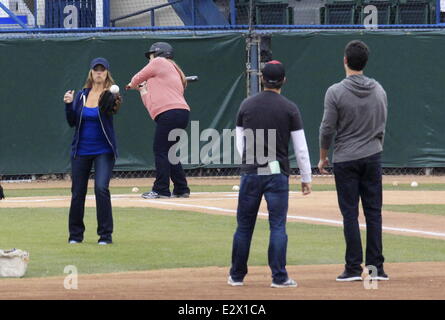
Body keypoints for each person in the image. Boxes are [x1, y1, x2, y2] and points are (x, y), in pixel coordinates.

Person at [228, 60, 312, 288]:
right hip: (276, 171)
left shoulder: (246, 105)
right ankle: (279, 277)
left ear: (262, 79)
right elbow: (301, 148)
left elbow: (239, 142)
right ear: (284, 80)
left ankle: (236, 276)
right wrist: (306, 178)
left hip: (251, 171)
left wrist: (247, 163)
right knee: (277, 226)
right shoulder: (289, 108)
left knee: (244, 226)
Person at [318, 40, 388, 281]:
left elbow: (327, 128)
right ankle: (375, 268)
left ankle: (352, 268)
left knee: (350, 214)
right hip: (372, 156)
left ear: (345, 61)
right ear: (365, 62)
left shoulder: (335, 91)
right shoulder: (379, 90)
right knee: (373, 212)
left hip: (346, 158)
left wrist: (323, 157)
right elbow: (382, 123)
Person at [63, 57, 121, 245]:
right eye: (96, 69)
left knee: (101, 188)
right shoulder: (81, 95)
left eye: (102, 70)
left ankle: (105, 236)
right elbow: (72, 121)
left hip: (103, 150)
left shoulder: (109, 94)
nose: (98, 72)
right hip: (81, 150)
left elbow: (113, 109)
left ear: (106, 73)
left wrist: (113, 102)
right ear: (91, 72)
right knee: (78, 192)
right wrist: (68, 104)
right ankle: (75, 236)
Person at [126, 42, 190, 199]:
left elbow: (136, 77)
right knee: (169, 152)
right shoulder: (168, 73)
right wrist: (142, 90)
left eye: (151, 55)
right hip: (179, 113)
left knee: (160, 150)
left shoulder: (160, 62)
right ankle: (181, 188)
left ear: (159, 54)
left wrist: (133, 84)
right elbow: (151, 106)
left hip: (171, 113)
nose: (150, 59)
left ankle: (161, 189)